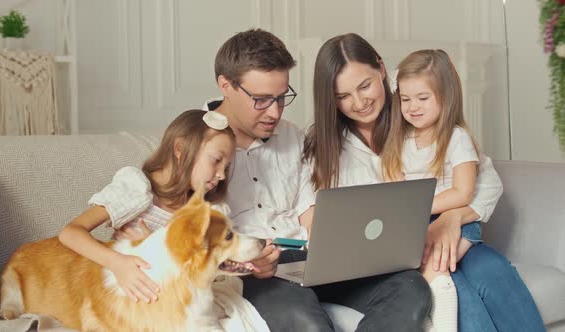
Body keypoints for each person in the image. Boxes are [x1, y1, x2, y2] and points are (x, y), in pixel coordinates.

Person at [304, 32, 545, 332]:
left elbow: (487, 181)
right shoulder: (324, 147)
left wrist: (453, 218)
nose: (359, 103)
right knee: (456, 288)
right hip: (400, 256)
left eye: (365, 86)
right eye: (342, 96)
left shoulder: (416, 112)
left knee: (492, 270)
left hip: (447, 226)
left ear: (382, 70)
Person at [201, 28, 431, 332]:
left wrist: (340, 250)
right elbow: (186, 221)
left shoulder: (293, 137)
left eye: (282, 97)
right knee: (307, 323)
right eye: (261, 100)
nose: (274, 111)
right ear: (226, 86)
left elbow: (310, 211)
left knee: (409, 286)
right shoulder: (196, 139)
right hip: (250, 269)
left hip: (306, 258)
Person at [59, 109, 235, 303]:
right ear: (181, 149)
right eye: (216, 160)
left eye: (226, 167)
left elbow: (205, 272)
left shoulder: (208, 212)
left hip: (171, 299)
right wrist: (117, 263)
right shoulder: (137, 189)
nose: (222, 175)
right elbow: (71, 233)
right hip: (122, 295)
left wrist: (153, 245)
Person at [380, 49, 483, 331]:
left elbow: (463, 193)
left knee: (433, 269)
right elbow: (396, 189)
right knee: (406, 276)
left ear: (445, 97)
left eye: (422, 98)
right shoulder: (400, 140)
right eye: (405, 99)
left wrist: (417, 208)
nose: (413, 107)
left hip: (456, 224)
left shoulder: (456, 137)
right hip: (418, 221)